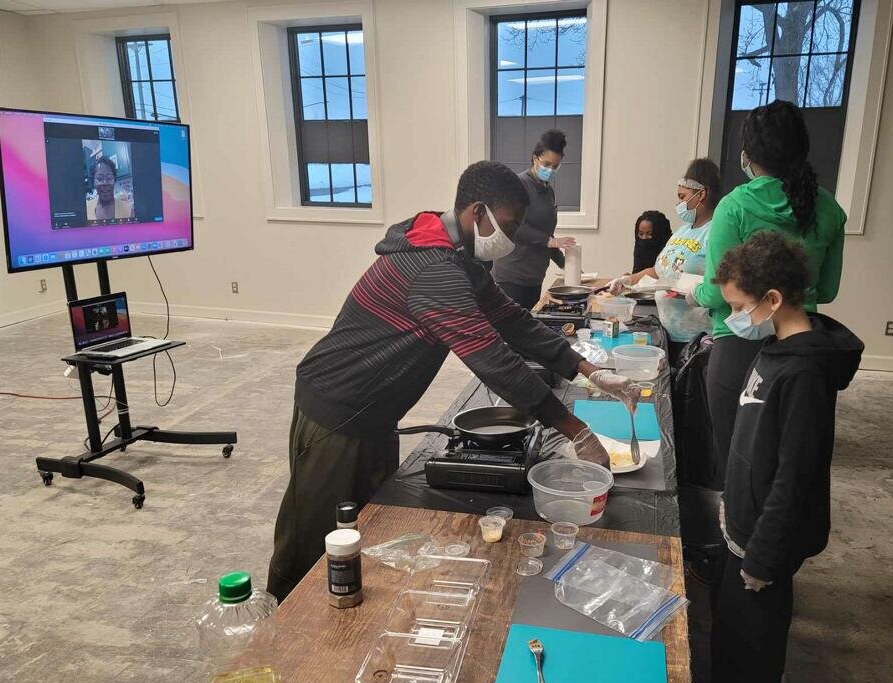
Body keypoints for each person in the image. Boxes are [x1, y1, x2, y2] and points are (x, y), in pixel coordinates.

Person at [267, 161, 641, 601]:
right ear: (477, 213)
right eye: (509, 225)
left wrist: (590, 369)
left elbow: (512, 323)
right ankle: (274, 635)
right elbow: (495, 361)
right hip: (336, 411)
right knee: (313, 542)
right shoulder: (434, 270)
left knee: (369, 528)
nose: (514, 237)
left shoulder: (458, 260)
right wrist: (576, 431)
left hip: (375, 414)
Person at [696, 231, 862, 683]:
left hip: (766, 541)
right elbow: (750, 444)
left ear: (772, 300)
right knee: (729, 628)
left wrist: (764, 554)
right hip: (742, 524)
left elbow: (796, 474)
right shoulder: (773, 349)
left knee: (755, 640)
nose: (734, 319)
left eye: (739, 307)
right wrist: (730, 502)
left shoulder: (806, 372)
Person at [690, 100, 847, 488]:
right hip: (801, 346)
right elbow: (826, 289)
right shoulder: (828, 209)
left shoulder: (735, 206)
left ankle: (735, 539)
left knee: (734, 460)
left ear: (748, 155)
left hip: (739, 347)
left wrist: (694, 292)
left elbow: (715, 295)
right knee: (788, 461)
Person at [609, 159, 722, 361]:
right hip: (667, 331)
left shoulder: (715, 232)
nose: (678, 204)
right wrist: (627, 280)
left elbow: (717, 284)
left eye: (682, 197)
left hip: (695, 339)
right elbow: (658, 271)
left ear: (701, 194)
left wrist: (685, 291)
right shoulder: (683, 231)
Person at [493, 129, 577, 309]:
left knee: (530, 327)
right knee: (513, 331)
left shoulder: (548, 191)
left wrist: (568, 266)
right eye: (547, 164)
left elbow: (548, 237)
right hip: (512, 276)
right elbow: (514, 225)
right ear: (534, 158)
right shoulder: (517, 184)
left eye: (555, 167)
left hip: (534, 277)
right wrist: (550, 241)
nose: (550, 170)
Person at [86, 157, 132, 221]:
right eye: (99, 179)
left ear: (114, 180)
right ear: (93, 182)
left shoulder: (128, 211)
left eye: (109, 178)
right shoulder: (86, 209)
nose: (105, 183)